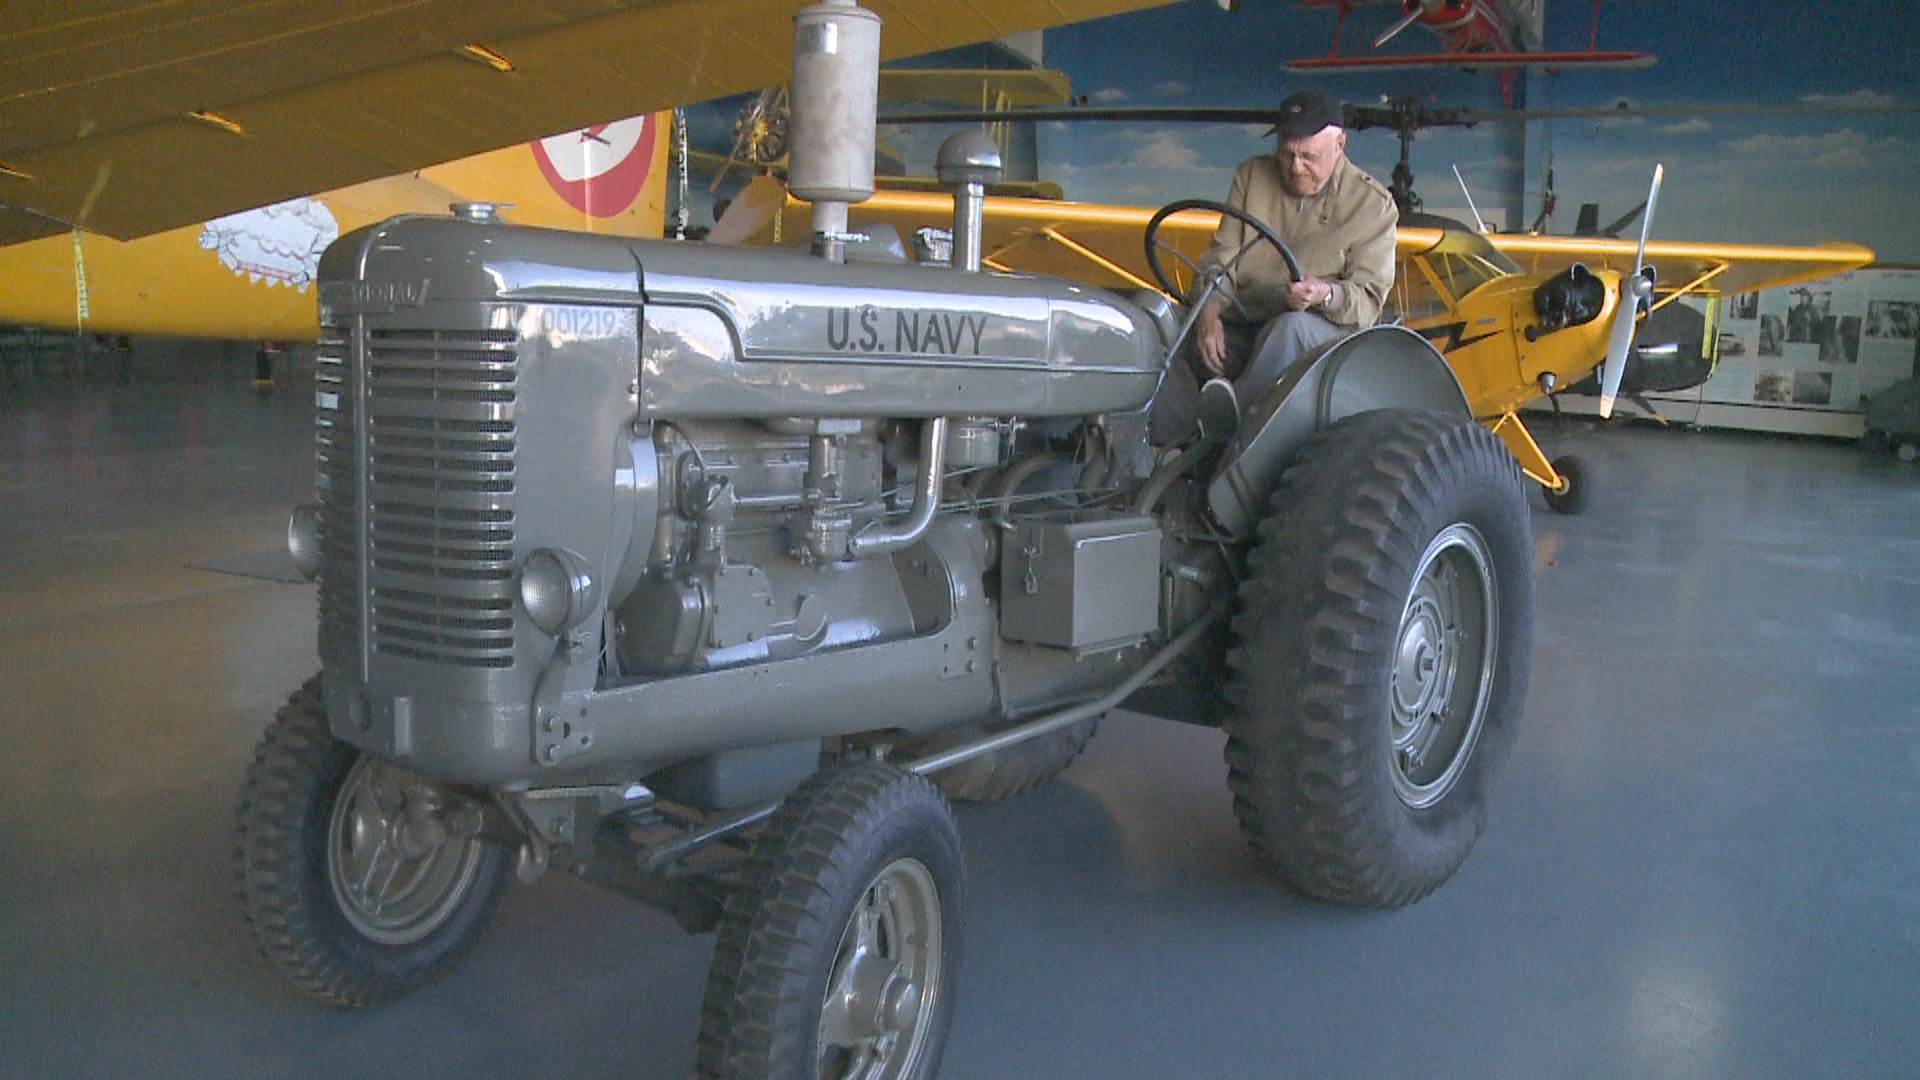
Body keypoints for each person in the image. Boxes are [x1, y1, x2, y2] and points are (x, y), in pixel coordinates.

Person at [1157, 90, 1398, 441]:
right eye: (1286, 154)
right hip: (1243, 320)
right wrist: (1208, 312)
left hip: (1319, 340)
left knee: (1290, 329)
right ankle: (1165, 444)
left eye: (1308, 156)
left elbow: (1369, 304)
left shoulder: (1373, 206)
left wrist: (1324, 294)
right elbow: (1221, 257)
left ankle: (1231, 429)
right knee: (1164, 326)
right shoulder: (1252, 177)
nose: (1295, 166)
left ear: (1340, 144)